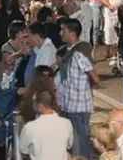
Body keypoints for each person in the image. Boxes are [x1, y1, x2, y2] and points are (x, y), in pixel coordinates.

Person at [57, 18, 99, 158]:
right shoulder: (68, 51)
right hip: (69, 106)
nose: (60, 33)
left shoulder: (79, 53)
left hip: (79, 108)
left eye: (63, 30)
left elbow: (95, 77)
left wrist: (84, 89)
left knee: (80, 146)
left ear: (72, 33)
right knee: (74, 143)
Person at [18, 90, 74, 160]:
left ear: (40, 106)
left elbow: (23, 149)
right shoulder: (66, 123)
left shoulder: (30, 127)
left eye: (34, 103)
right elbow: (69, 145)